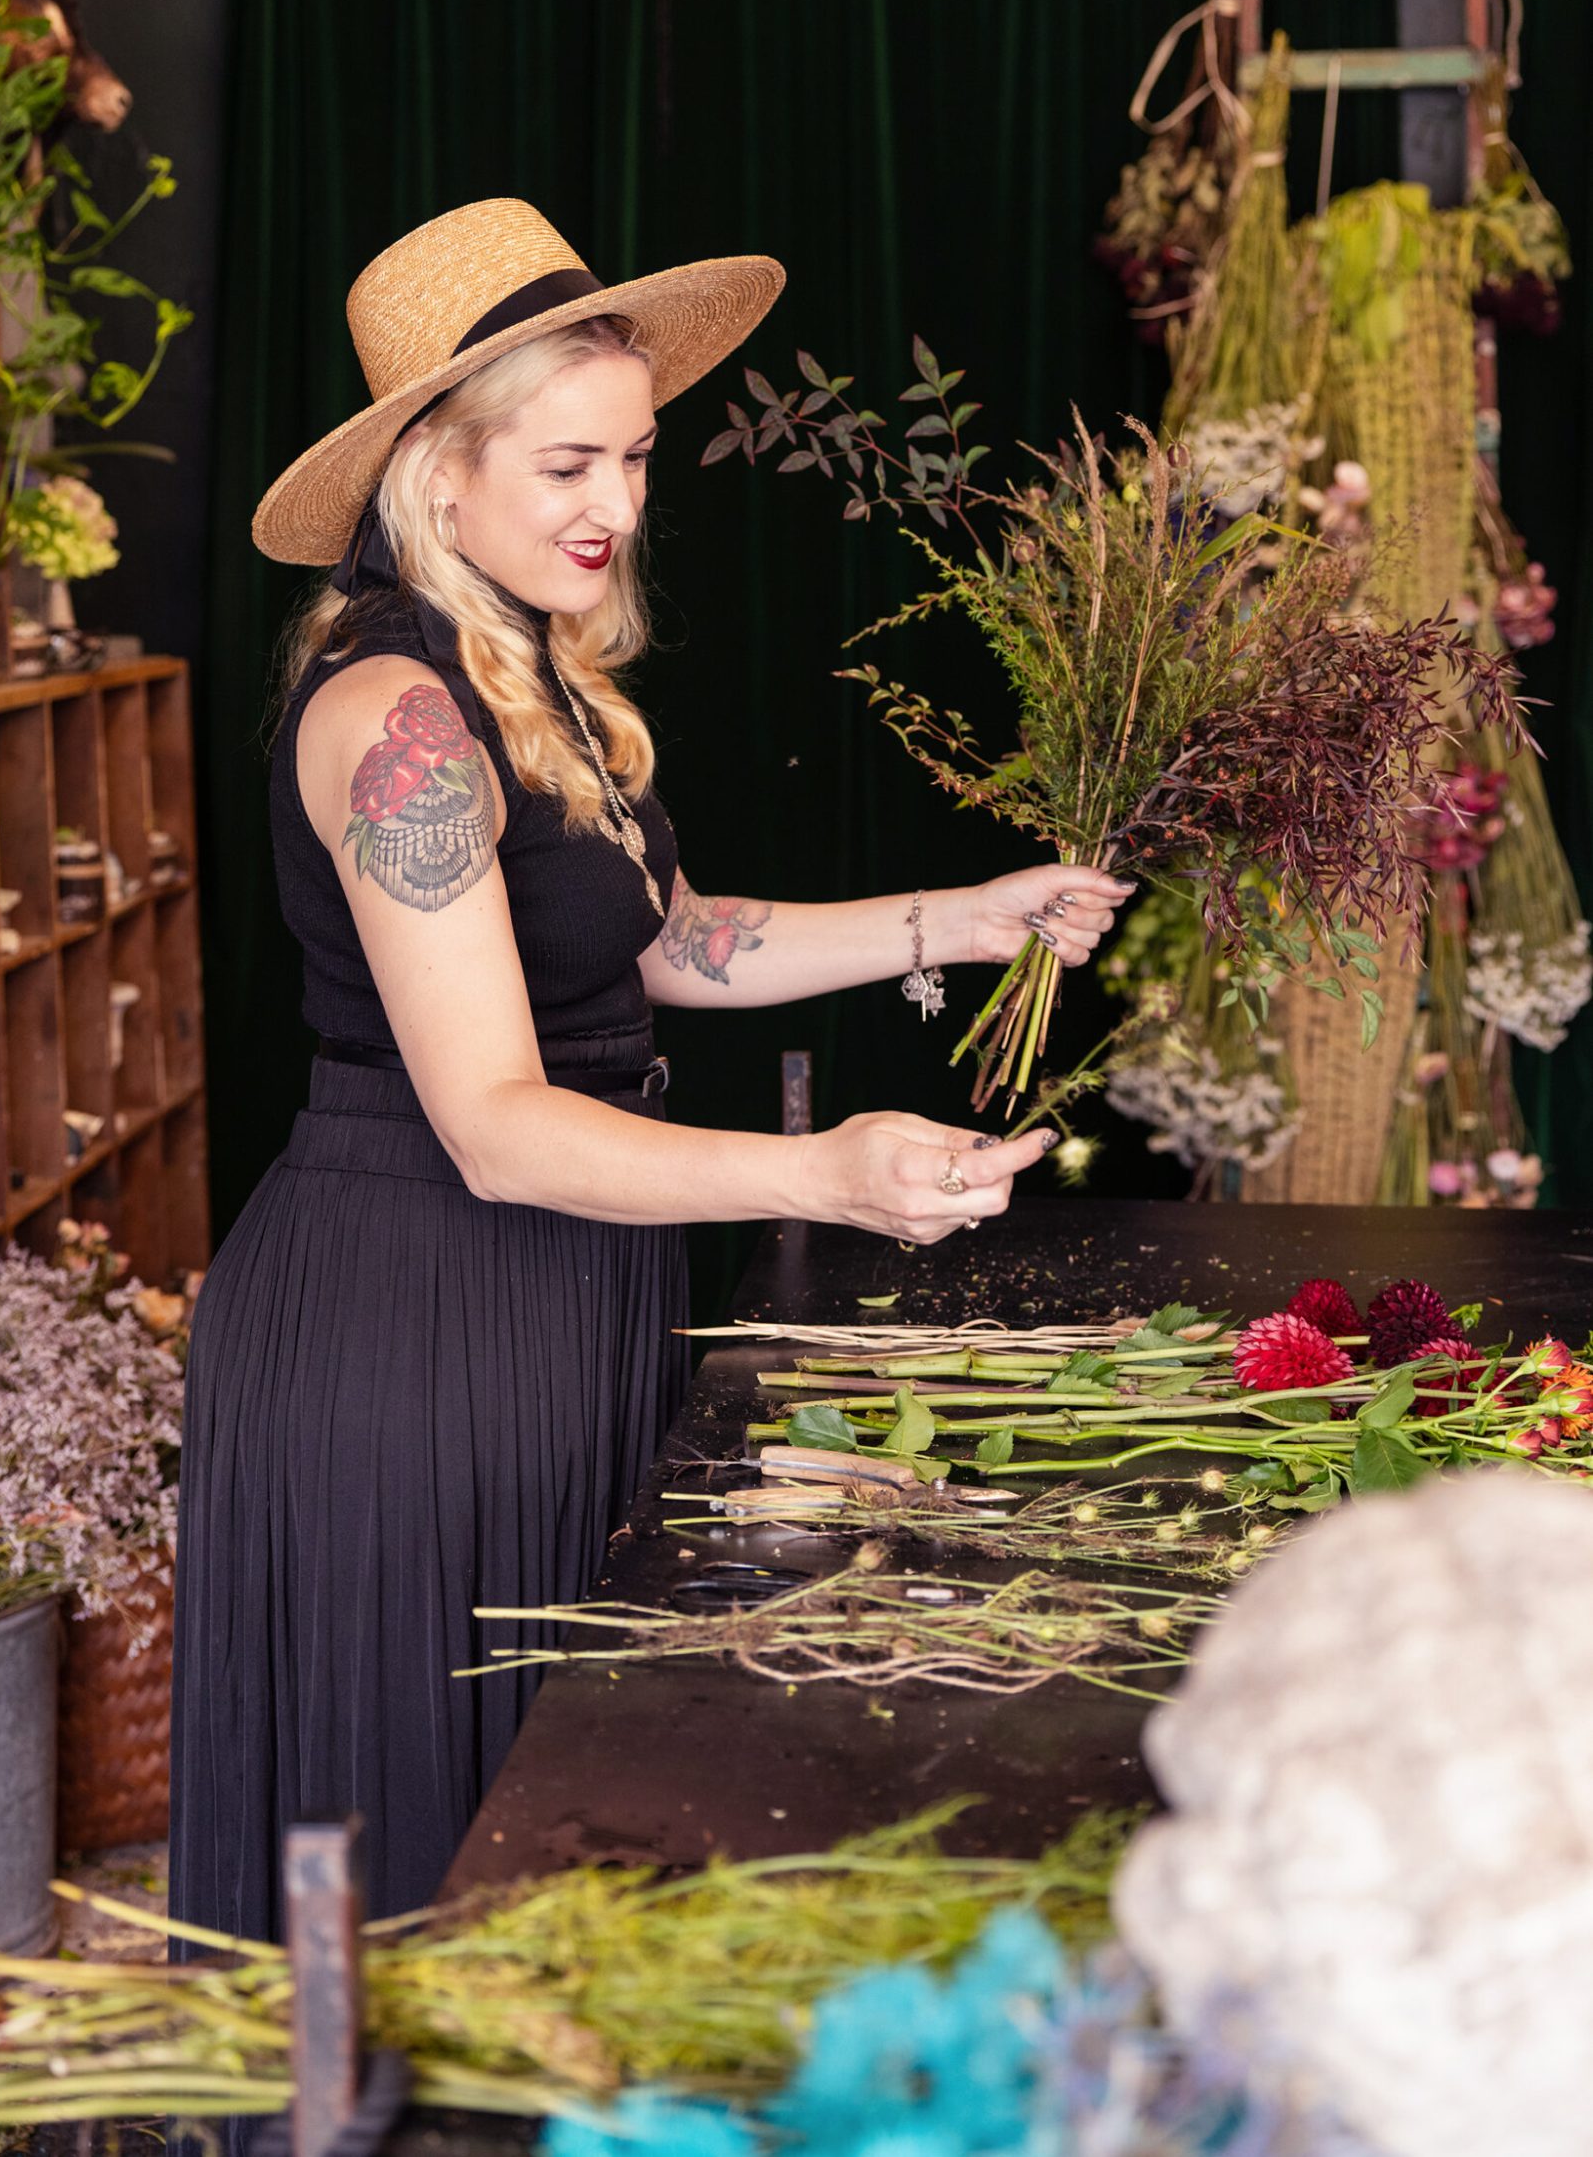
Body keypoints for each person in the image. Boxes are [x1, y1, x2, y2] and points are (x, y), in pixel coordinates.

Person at [170, 199, 1131, 1941]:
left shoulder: (523, 670)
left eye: (632, 458)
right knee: (430, 1855)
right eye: (565, 466)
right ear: (434, 480)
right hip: (413, 1324)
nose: (613, 506)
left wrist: (959, 917)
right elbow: (496, 1125)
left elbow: (671, 946)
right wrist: (820, 1172)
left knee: (538, 1830)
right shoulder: (396, 721)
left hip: (557, 1283)